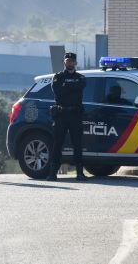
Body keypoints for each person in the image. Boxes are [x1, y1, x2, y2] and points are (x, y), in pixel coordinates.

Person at [47, 52, 87, 181]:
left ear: (75, 63)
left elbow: (80, 86)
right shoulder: (58, 77)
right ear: (64, 62)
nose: (70, 63)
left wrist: (66, 86)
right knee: (57, 143)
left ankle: (80, 173)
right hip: (61, 114)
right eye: (67, 61)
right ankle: (53, 173)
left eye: (72, 61)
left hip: (75, 114)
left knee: (77, 144)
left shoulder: (80, 77)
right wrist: (72, 87)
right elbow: (58, 91)